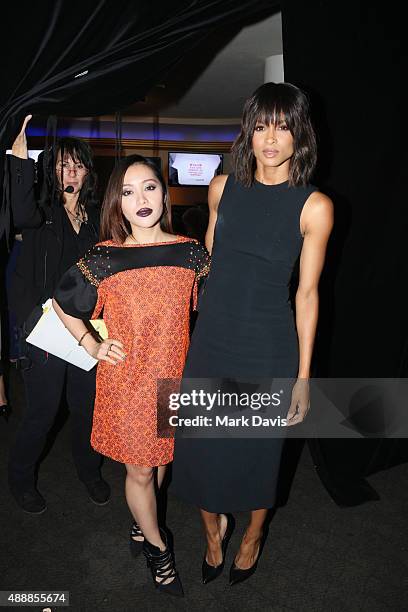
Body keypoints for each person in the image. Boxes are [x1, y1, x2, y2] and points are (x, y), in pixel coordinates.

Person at [171, 82, 334, 585]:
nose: (270, 138)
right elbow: (212, 261)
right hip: (213, 340)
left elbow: (307, 295)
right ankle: (213, 534)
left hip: (268, 345)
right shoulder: (221, 187)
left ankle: (252, 536)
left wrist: (304, 376)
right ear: (248, 131)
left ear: (299, 135)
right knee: (200, 444)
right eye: (261, 125)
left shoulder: (315, 207)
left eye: (283, 126)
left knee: (259, 451)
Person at [52, 154, 210, 597]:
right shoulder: (106, 257)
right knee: (140, 471)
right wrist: (92, 344)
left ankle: (143, 525)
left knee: (160, 463)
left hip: (176, 378)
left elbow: (215, 309)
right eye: (127, 191)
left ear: (164, 192)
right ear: (116, 204)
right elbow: (64, 302)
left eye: (149, 187)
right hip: (127, 380)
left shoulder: (191, 252)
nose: (140, 199)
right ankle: (159, 549)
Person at [7, 115, 110, 514]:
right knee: (42, 412)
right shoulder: (40, 213)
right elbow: (19, 210)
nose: (70, 170)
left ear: (87, 171)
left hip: (87, 328)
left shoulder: (96, 220)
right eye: (62, 163)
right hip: (45, 328)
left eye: (77, 163)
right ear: (50, 169)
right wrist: (20, 162)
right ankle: (20, 479)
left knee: (86, 409)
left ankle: (89, 471)